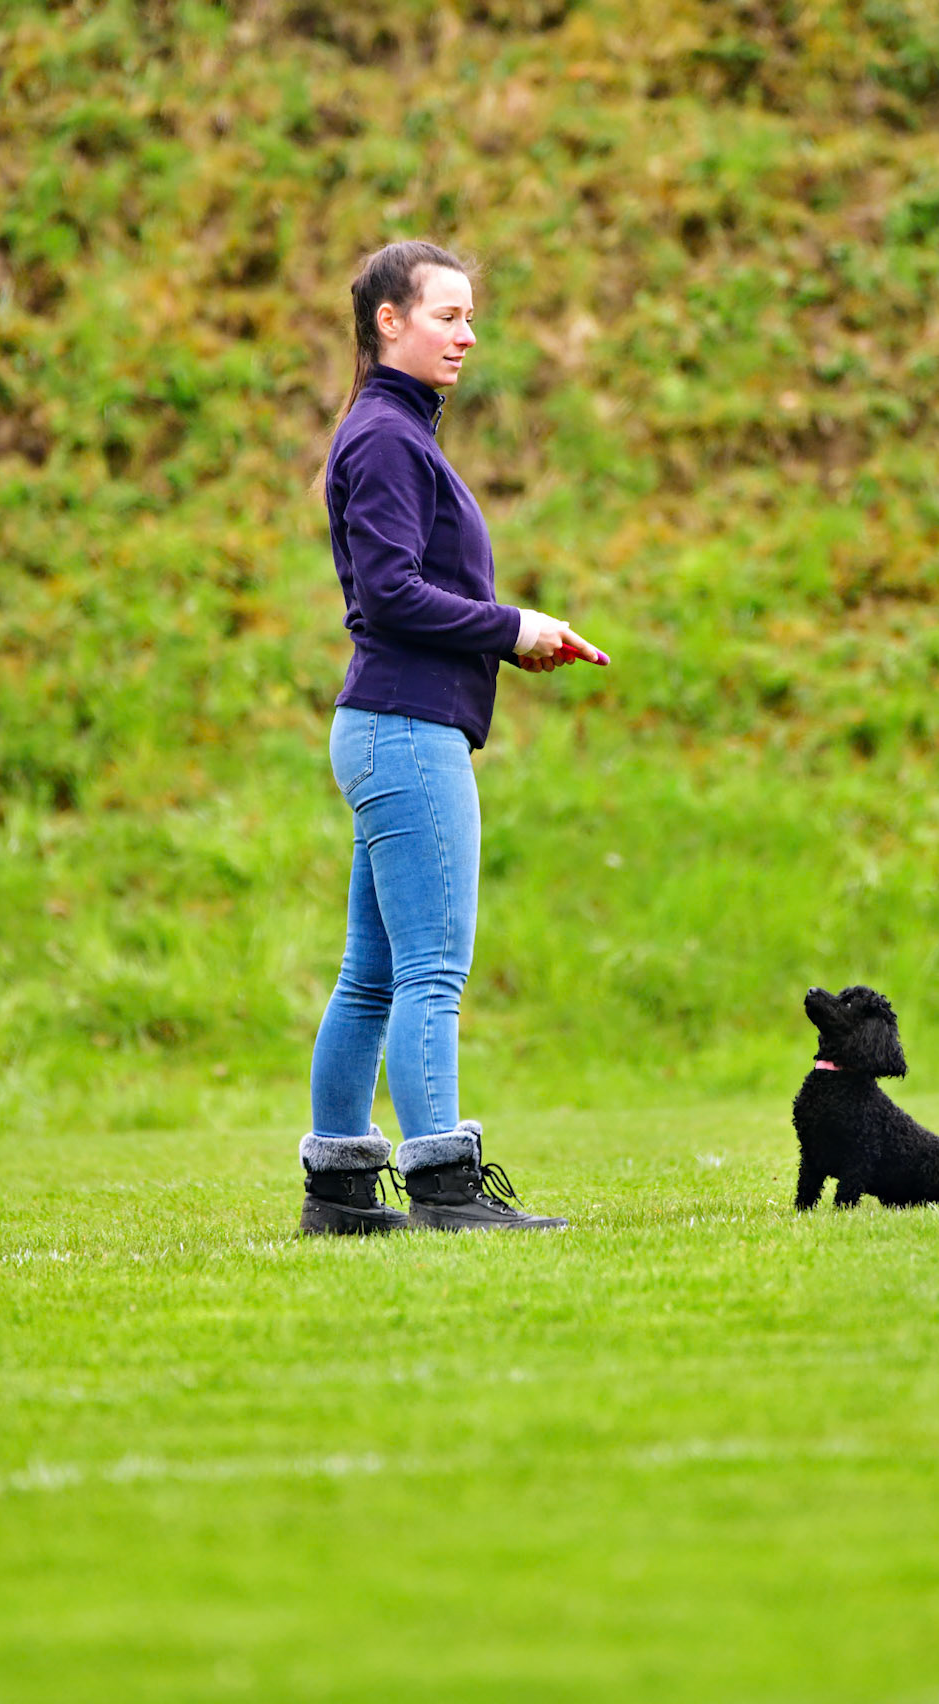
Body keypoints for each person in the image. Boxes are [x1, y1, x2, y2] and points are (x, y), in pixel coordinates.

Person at [298, 240, 609, 1235]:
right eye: (447, 314)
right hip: (405, 729)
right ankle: (443, 1186)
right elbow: (392, 594)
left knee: (372, 975)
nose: (467, 334)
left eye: (471, 316)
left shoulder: (391, 431)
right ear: (388, 321)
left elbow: (402, 591)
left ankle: (340, 1193)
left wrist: (510, 637)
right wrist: (512, 628)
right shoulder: (388, 437)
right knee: (428, 970)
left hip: (388, 726)